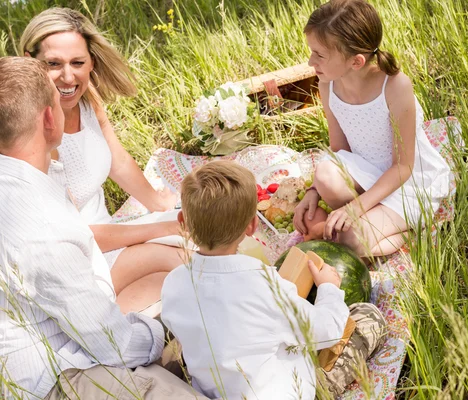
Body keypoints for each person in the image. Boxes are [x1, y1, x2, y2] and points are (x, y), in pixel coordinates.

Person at [0, 56, 209, 400]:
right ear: (50, 118)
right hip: (54, 378)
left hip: (70, 335)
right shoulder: (40, 225)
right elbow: (115, 344)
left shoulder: (28, 179)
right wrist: (161, 333)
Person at [160, 160, 387, 399]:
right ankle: (324, 386)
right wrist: (329, 289)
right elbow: (326, 331)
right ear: (253, 226)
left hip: (214, 392)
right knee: (368, 316)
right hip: (282, 392)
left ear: (183, 222)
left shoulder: (173, 283)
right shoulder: (262, 285)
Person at [19, 8, 185, 313]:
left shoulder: (86, 98)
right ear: (31, 60)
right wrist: (161, 228)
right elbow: (74, 234)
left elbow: (117, 160)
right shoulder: (33, 134)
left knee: (181, 271)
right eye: (53, 64)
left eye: (77, 63)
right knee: (182, 262)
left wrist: (159, 204)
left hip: (110, 240)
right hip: (80, 261)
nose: (68, 77)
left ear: (91, 61)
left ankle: (119, 331)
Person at [293, 0, 451, 257]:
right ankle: (372, 220)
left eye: (319, 55)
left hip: (408, 182)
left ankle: (406, 229)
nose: (311, 61)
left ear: (356, 61)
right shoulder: (328, 85)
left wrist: (355, 208)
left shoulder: (395, 86)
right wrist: (313, 190)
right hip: (366, 173)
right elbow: (339, 149)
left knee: (347, 239)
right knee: (324, 175)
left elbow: (403, 166)